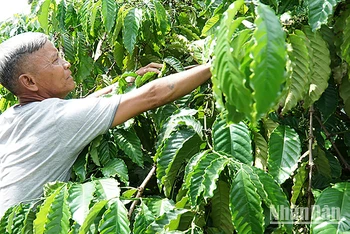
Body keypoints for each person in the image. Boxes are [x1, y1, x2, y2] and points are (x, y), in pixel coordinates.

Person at [0, 32, 211, 217]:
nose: (67, 63)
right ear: (29, 82)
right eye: (55, 60)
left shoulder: (9, 118)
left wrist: (126, 81)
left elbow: (83, 106)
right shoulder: (60, 119)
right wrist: (215, 65)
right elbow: (153, 96)